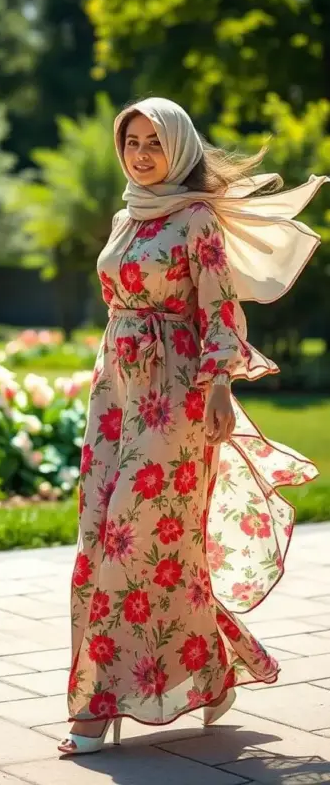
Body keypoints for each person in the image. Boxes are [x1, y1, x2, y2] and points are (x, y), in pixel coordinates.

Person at [59, 97, 327, 757]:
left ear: (178, 147)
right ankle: (210, 668)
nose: (141, 153)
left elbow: (218, 310)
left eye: (154, 140)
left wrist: (217, 390)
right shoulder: (127, 215)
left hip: (173, 400)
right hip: (114, 395)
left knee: (128, 542)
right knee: (98, 538)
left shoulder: (195, 218)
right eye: (131, 141)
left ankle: (96, 705)